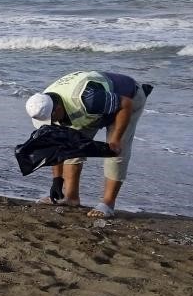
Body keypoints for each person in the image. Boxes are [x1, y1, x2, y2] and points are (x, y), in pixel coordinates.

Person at [25, 71, 150, 218]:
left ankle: (107, 204)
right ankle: (71, 198)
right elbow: (56, 145)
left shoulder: (86, 99)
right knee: (69, 147)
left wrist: (115, 139)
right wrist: (57, 180)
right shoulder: (43, 102)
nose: (50, 124)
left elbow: (125, 104)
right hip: (89, 110)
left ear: (57, 109)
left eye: (50, 119)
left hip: (128, 99)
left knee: (115, 151)